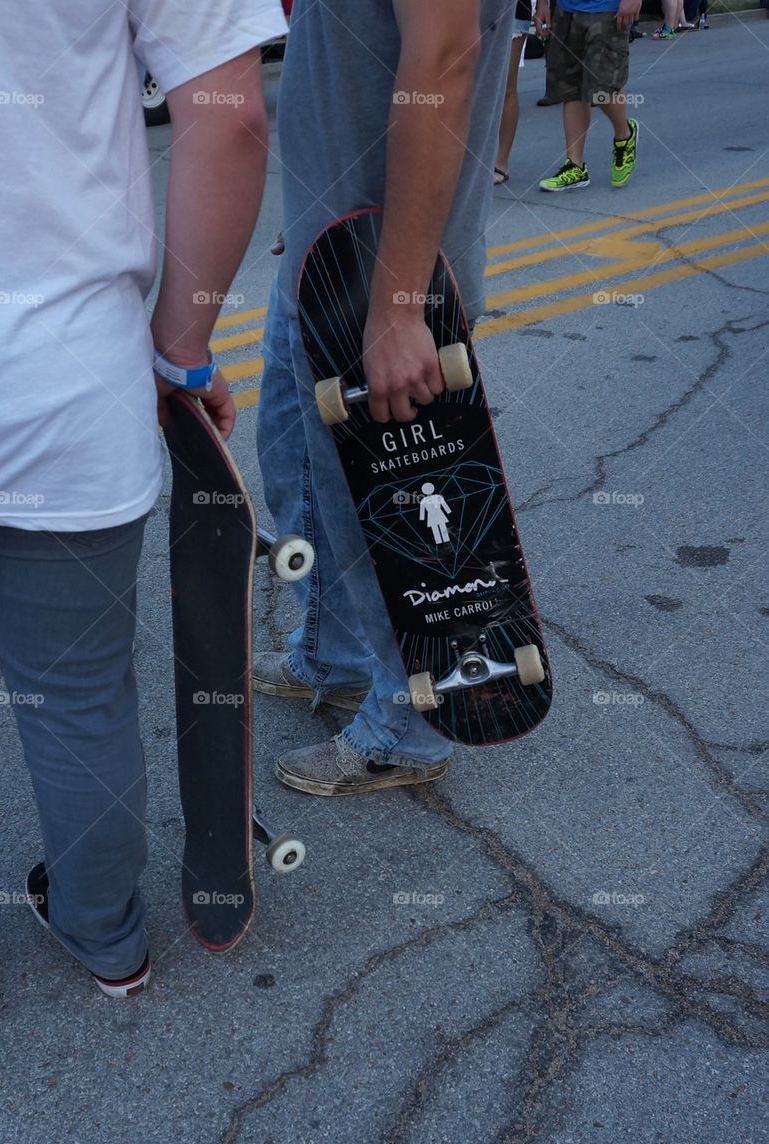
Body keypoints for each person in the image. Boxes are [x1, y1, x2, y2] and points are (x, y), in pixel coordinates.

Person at [0, 0, 286, 1033]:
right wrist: (180, 351)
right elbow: (232, 119)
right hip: (69, 392)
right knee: (76, 691)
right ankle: (106, 935)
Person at [255, 0, 514, 797]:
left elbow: (442, 60)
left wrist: (400, 305)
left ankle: (411, 723)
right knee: (300, 462)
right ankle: (330, 651)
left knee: (382, 508)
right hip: (329, 247)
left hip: (378, 276)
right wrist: (311, 201)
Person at [536, 0, 641, 191]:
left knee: (603, 86)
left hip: (607, 10)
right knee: (570, 87)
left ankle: (624, 134)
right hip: (566, 10)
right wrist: (542, 4)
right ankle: (575, 166)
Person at [495, 0, 534, 184]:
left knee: (507, 87)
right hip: (472, 11)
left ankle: (501, 163)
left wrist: (542, 4)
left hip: (514, 10)